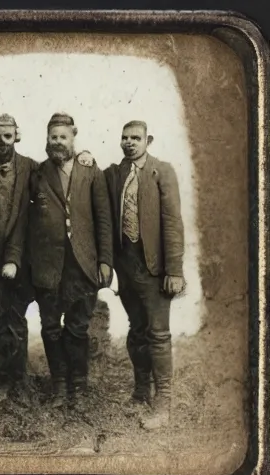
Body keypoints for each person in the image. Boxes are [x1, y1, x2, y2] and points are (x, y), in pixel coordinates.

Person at [27, 112, 113, 407]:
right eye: (53, 137)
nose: (58, 142)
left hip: (82, 265)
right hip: (49, 266)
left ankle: (79, 387)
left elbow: (103, 219)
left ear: (73, 138)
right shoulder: (37, 173)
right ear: (47, 140)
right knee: (50, 327)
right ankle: (59, 386)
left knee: (78, 327)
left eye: (63, 137)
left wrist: (105, 262)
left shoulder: (90, 171)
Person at [104, 120, 185, 430]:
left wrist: (174, 270)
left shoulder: (161, 171)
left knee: (158, 334)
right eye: (124, 137)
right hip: (127, 269)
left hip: (155, 269)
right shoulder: (115, 174)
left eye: (135, 138)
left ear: (147, 140)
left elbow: (173, 223)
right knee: (137, 330)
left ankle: (163, 403)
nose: (129, 143)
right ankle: (140, 393)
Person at [0, 114, 37, 408]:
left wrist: (85, 155)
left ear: (17, 136)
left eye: (7, 136)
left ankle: (20, 380)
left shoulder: (31, 168)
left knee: (17, 319)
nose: (1, 142)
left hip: (22, 260)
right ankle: (4, 379)